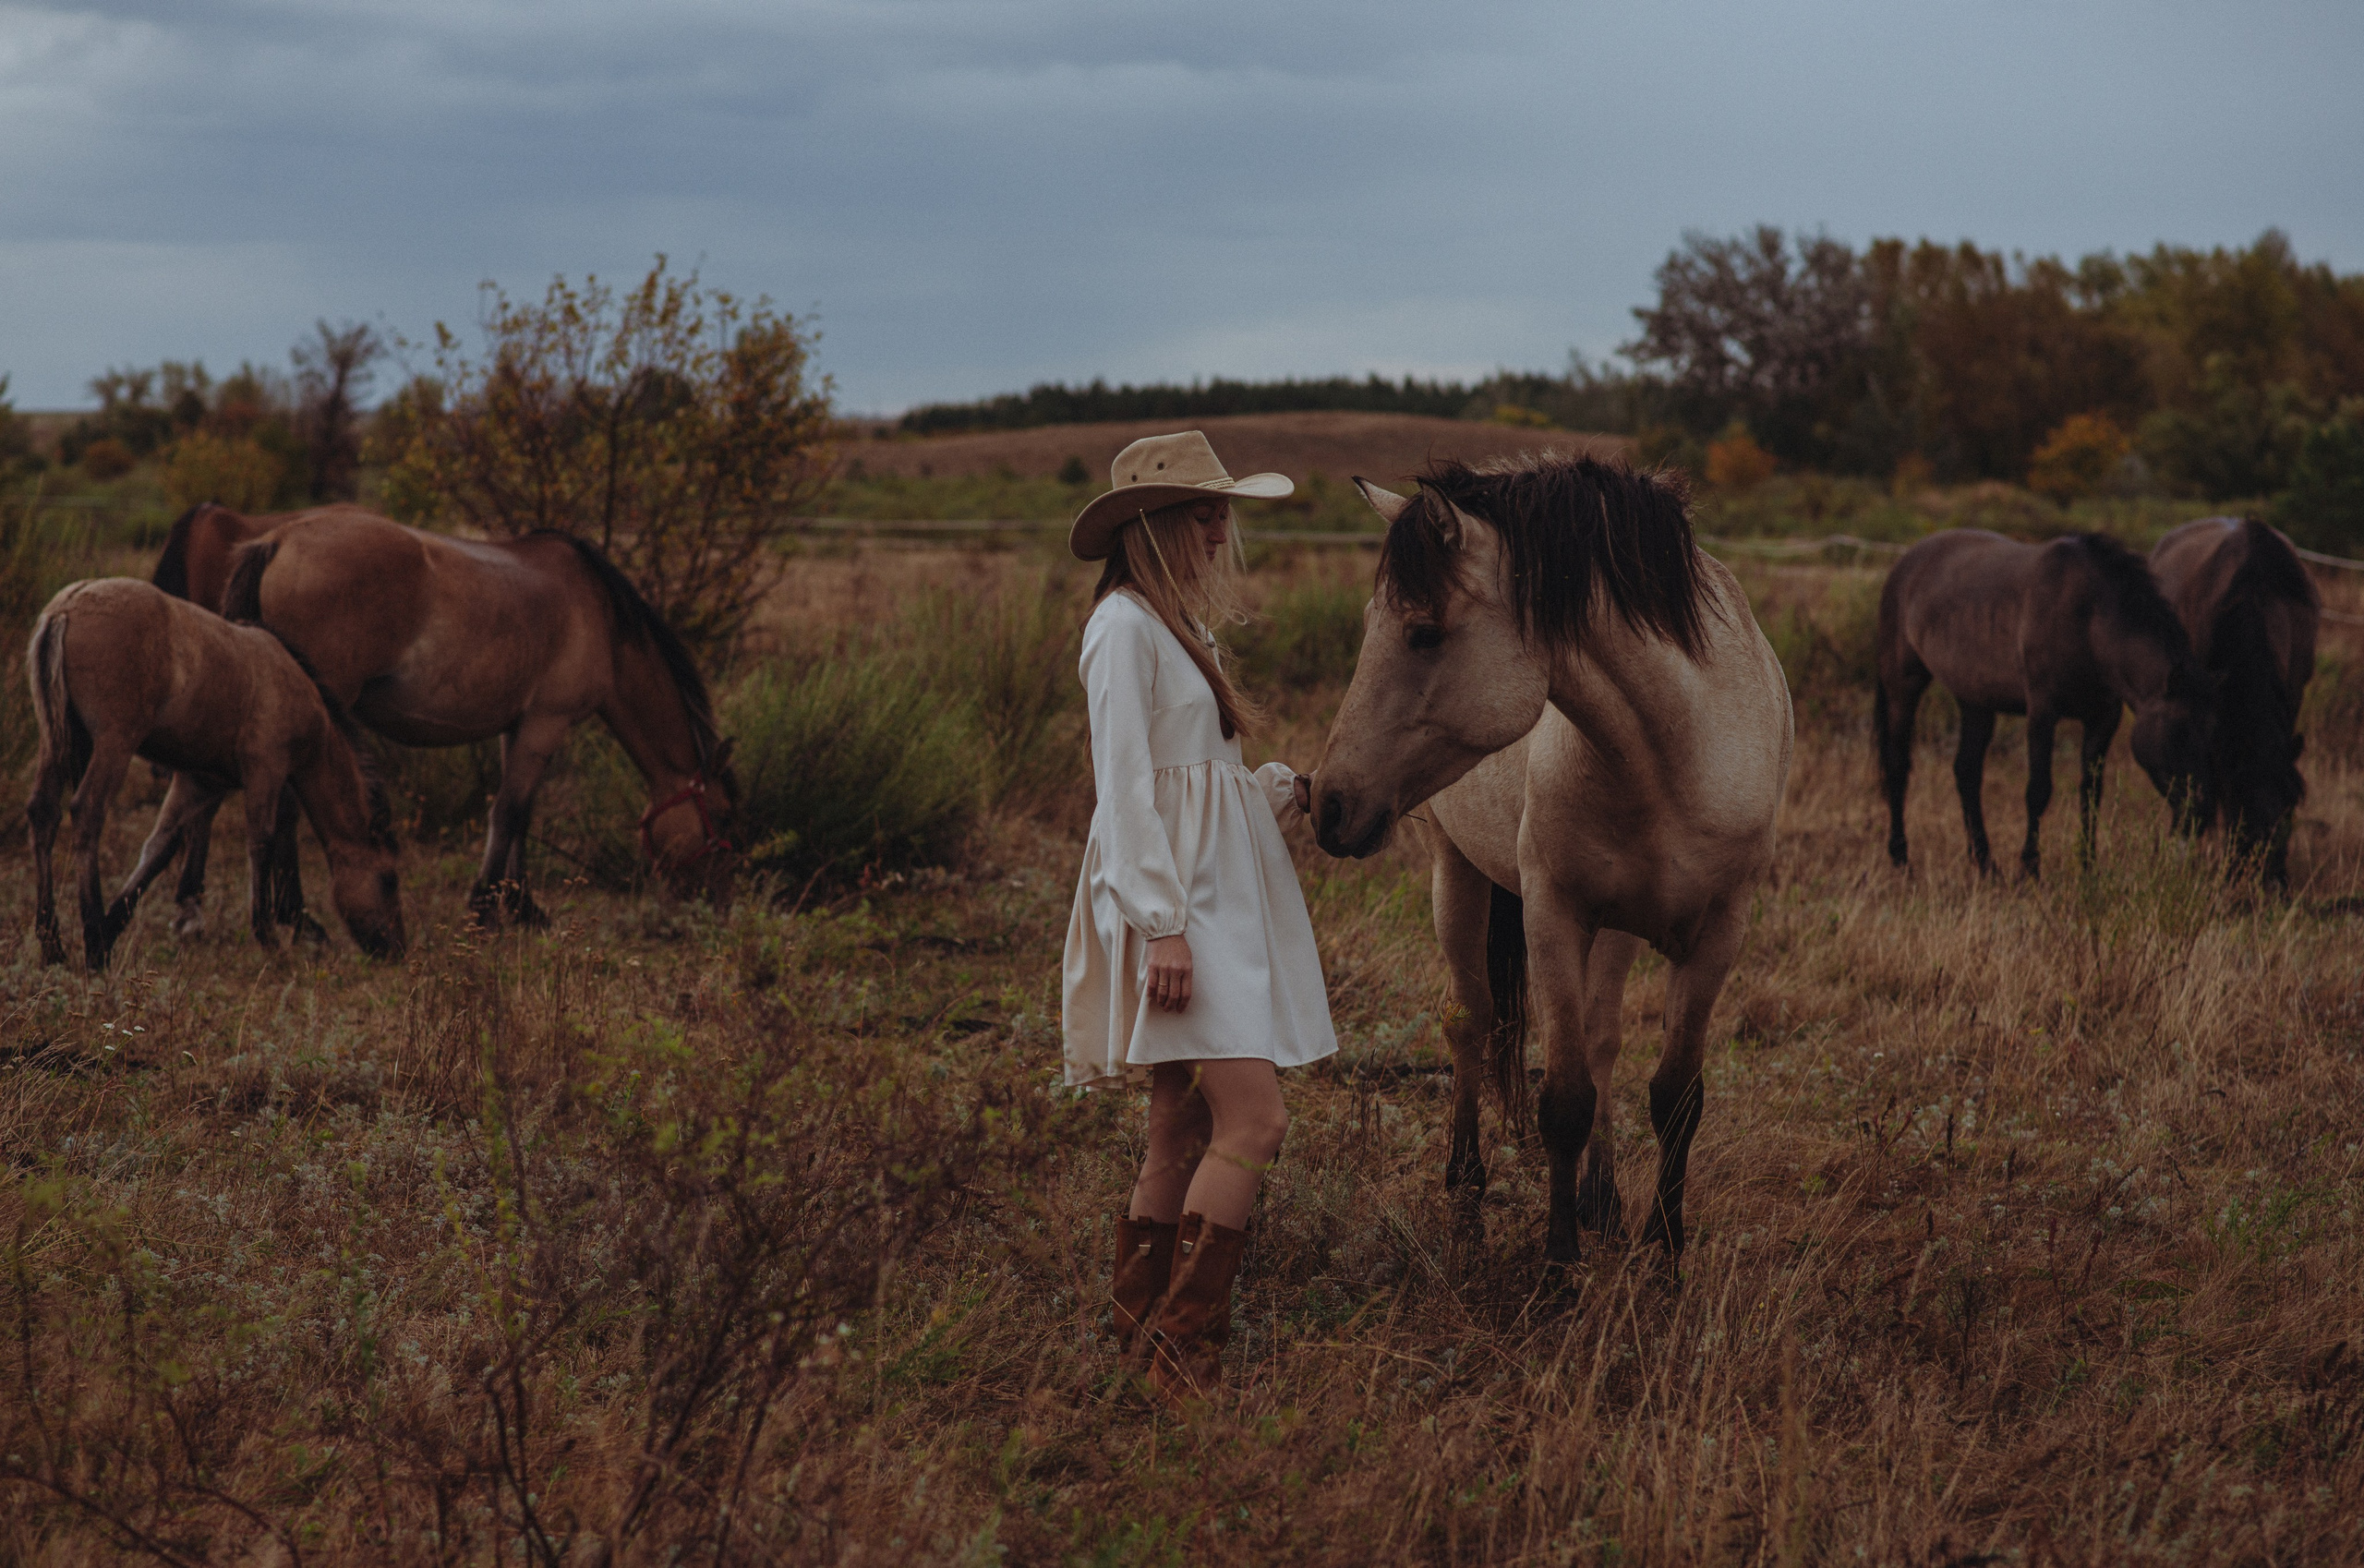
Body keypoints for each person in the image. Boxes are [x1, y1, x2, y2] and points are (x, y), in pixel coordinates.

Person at [1062, 431, 1338, 1405]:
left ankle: (1136, 1345)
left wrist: (1281, 794)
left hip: (1201, 899)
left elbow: (1199, 793)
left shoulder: (1177, 628)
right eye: (1204, 510)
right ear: (1153, 524)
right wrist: (1160, 924)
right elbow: (1127, 790)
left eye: (1223, 508)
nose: (1222, 527)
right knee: (1253, 1122)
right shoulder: (1123, 631)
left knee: (1174, 1133)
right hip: (1180, 913)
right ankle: (1185, 1361)